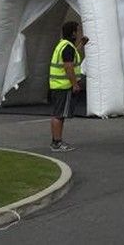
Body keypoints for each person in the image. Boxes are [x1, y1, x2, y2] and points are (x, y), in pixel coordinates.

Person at [48, 20, 83, 152]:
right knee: (59, 115)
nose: (79, 33)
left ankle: (56, 140)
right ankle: (57, 142)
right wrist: (74, 84)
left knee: (59, 114)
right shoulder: (67, 47)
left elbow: (70, 57)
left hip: (57, 85)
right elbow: (68, 66)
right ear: (73, 33)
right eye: (77, 31)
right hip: (63, 86)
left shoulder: (63, 45)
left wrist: (81, 45)